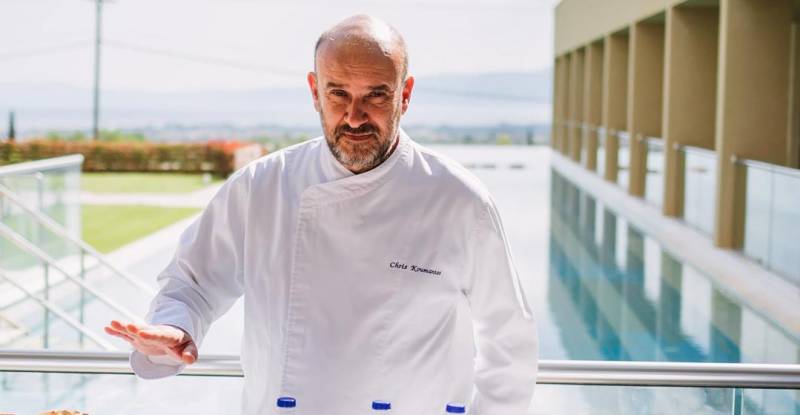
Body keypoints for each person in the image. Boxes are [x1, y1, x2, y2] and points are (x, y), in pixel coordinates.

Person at [104, 14, 538, 414]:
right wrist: (176, 328)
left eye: (376, 95)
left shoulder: (459, 200)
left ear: (404, 95)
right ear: (315, 92)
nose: (354, 117)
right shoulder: (260, 188)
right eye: (338, 94)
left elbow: (510, 344)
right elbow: (190, 286)